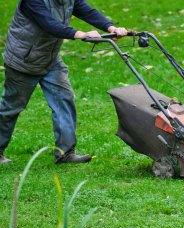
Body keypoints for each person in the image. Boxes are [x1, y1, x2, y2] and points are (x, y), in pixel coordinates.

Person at [0, 0, 130, 163]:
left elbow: (87, 11)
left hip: (49, 58)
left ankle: (65, 153)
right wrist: (81, 34)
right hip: (23, 60)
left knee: (64, 99)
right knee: (11, 107)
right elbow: (49, 24)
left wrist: (111, 28)